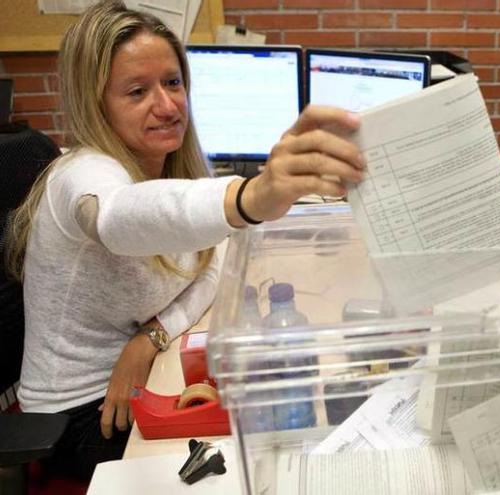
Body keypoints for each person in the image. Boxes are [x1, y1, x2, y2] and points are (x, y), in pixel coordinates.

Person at [3, 0, 363, 479]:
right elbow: (117, 220)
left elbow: (218, 255)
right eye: (137, 91)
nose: (168, 105)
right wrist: (251, 197)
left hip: (142, 375)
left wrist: (150, 337)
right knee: (259, 449)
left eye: (172, 83)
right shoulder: (83, 176)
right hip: (81, 417)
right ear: (97, 103)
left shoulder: (170, 167)